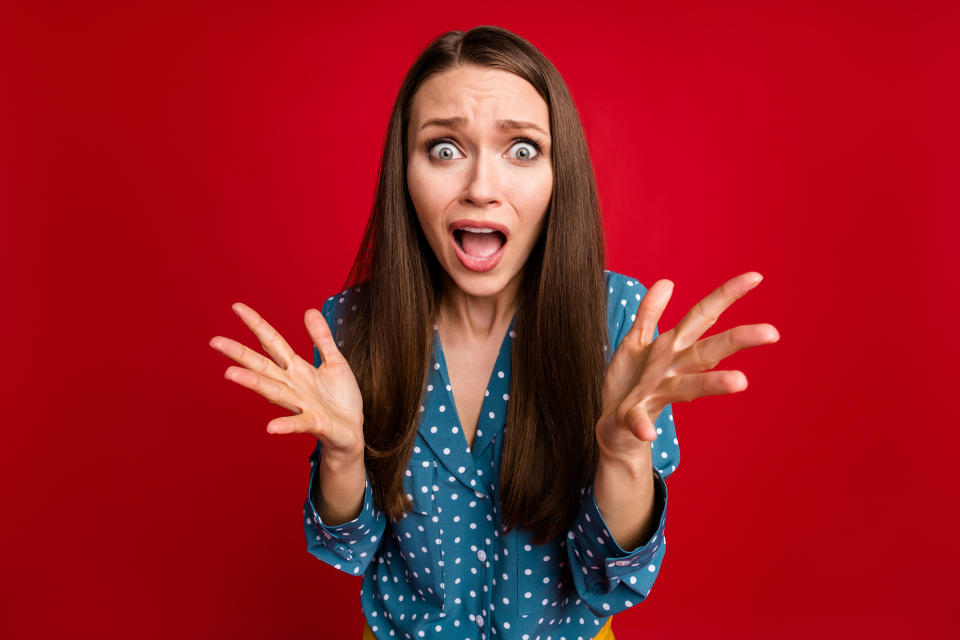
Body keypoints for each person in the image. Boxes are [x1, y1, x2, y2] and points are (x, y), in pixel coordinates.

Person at [209, 25, 780, 640]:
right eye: (444, 149)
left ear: (561, 175)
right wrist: (345, 458)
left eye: (523, 150)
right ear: (404, 172)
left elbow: (612, 575)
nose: (481, 188)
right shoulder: (351, 326)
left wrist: (622, 456)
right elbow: (348, 547)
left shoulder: (617, 319)